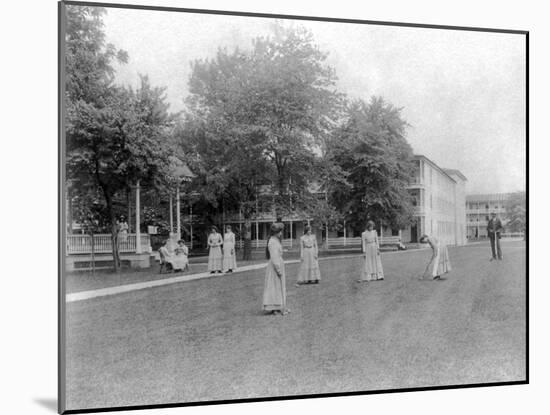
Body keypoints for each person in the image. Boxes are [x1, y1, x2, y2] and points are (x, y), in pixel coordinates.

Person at [263, 222, 290, 315]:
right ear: (276, 232)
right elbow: (274, 257)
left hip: (278, 264)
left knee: (278, 286)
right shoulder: (272, 241)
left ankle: (279, 306)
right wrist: (278, 269)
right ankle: (274, 307)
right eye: (280, 232)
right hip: (275, 266)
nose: (281, 234)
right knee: (274, 286)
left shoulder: (275, 240)